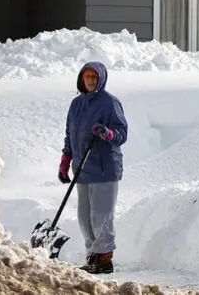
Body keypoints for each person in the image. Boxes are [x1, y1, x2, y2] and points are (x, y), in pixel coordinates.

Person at [58, 61, 128, 274]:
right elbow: (71, 134)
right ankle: (92, 257)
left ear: (101, 79)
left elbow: (122, 133)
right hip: (82, 168)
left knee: (101, 216)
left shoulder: (110, 103)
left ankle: (104, 260)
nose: (90, 80)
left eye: (94, 77)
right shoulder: (76, 104)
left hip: (104, 168)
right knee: (84, 217)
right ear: (81, 78)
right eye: (86, 76)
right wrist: (65, 160)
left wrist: (107, 134)